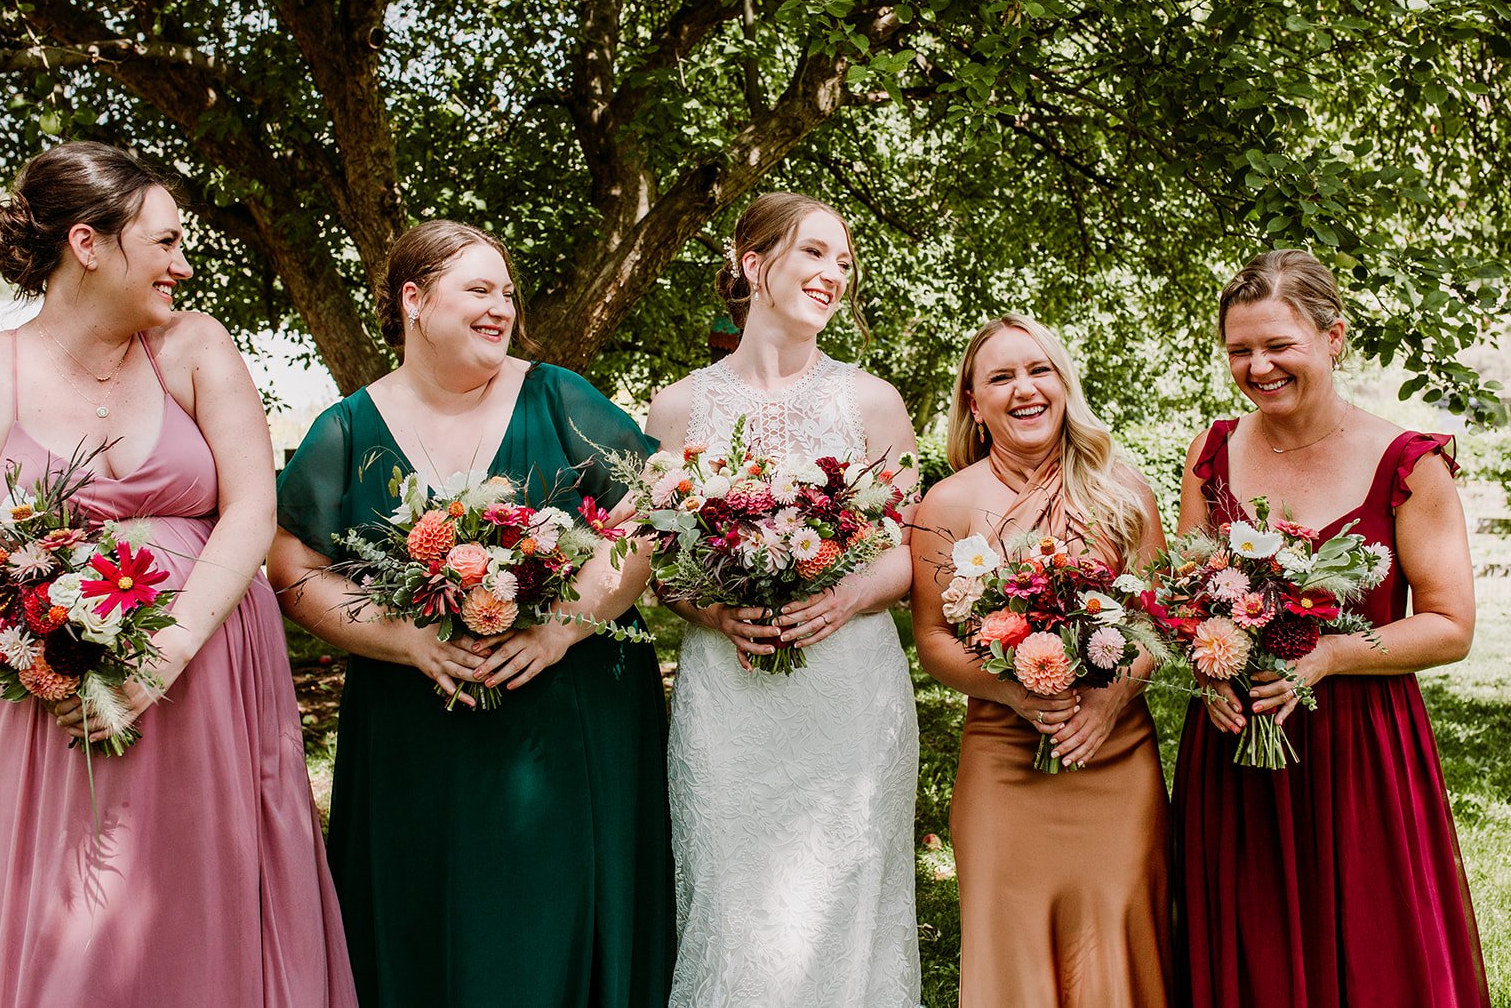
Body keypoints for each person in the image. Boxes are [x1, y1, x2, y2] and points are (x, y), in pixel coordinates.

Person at [0, 142, 355, 1006]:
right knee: (83, 916)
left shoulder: (192, 347)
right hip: (62, 699)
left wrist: (164, 655)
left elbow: (251, 510)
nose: (182, 265)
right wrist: (29, 658)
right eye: (164, 242)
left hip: (215, 672)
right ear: (88, 243)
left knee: (216, 897)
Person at [268, 220, 673, 1007]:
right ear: (412, 299)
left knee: (563, 918)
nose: (501, 308)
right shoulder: (347, 428)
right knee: (422, 917)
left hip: (572, 718)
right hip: (413, 729)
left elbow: (648, 516)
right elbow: (291, 564)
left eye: (507, 293)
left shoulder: (559, 396)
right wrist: (402, 636)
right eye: (478, 290)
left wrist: (560, 628)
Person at [1171, 249, 1489, 1007]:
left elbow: (1450, 626)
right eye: (1240, 350)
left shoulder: (1409, 464)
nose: (1258, 365)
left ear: (1334, 336)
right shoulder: (1213, 451)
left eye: (1279, 345)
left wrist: (1331, 654)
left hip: (1360, 747)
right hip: (1236, 746)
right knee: (1252, 950)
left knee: (1370, 954)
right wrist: (1209, 666)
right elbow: (1186, 593)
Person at [646, 192, 921, 1006]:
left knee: (848, 900)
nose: (834, 273)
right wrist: (715, 608)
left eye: (844, 260)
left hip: (848, 698)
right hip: (729, 696)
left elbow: (913, 553)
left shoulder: (873, 402)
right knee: (733, 906)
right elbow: (661, 562)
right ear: (752, 262)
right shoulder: (678, 405)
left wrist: (845, 598)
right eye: (815, 253)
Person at [910, 313, 1171, 1007]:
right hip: (1003, 758)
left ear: (1063, 383)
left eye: (1038, 370)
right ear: (974, 401)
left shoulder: (1123, 492)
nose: (1023, 389)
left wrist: (1112, 697)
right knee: (1010, 936)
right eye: (1000, 376)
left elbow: (1157, 619)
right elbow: (933, 638)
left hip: (1116, 757)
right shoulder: (947, 502)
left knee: (1119, 934)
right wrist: (1015, 693)